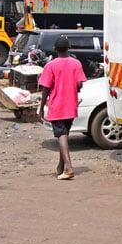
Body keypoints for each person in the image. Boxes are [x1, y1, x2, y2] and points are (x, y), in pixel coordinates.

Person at [37, 36, 86, 180]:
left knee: (61, 135)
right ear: (68, 48)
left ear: (55, 49)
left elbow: (46, 88)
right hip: (71, 105)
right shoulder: (76, 63)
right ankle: (61, 166)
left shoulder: (50, 65)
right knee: (63, 135)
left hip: (57, 105)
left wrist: (41, 107)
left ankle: (69, 168)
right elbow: (80, 84)